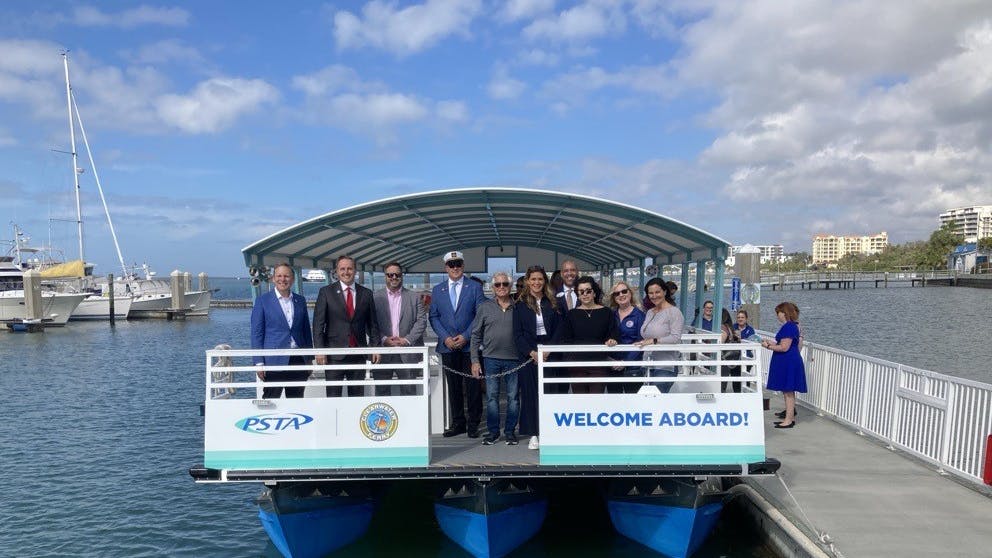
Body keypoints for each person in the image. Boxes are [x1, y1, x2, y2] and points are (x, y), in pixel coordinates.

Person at [429, 250, 486, 438]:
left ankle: (473, 423)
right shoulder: (438, 290)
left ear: (463, 266)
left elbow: (480, 315)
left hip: (469, 346)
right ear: (446, 267)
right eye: (451, 265)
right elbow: (434, 317)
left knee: (473, 387)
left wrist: (466, 336)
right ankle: (458, 422)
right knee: (453, 387)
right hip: (447, 346)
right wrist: (445, 337)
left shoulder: (474, 287)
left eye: (458, 264)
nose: (455, 268)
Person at [313, 255, 380, 397]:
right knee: (333, 396)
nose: (346, 272)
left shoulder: (366, 294)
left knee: (356, 397)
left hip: (358, 354)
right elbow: (318, 324)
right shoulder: (326, 292)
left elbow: (372, 324)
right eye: (342, 269)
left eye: (349, 268)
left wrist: (375, 347)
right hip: (334, 356)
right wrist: (319, 350)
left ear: (355, 271)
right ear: (337, 271)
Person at [513, 265, 562, 450]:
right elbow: (517, 334)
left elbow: (560, 329)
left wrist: (548, 349)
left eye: (540, 279)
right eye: (533, 279)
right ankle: (534, 433)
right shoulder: (519, 304)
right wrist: (531, 353)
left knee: (550, 392)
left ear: (545, 281)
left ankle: (550, 431)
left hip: (550, 351)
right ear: (527, 281)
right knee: (531, 394)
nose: (536, 282)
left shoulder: (553, 302)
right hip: (529, 354)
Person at [470, 272, 520, 445]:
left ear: (510, 286)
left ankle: (510, 432)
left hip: (514, 359)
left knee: (513, 398)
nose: (501, 287)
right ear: (492, 288)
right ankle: (493, 432)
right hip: (490, 358)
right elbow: (475, 335)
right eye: (497, 285)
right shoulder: (484, 307)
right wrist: (475, 361)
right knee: (492, 397)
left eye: (504, 284)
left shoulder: (518, 306)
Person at [250, 263, 313, 398]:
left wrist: (309, 358)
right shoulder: (262, 301)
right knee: (271, 400)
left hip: (297, 359)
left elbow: (306, 331)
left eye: (286, 276)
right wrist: (259, 362)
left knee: (296, 400)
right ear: (273, 278)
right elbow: (256, 334)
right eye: (279, 276)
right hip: (273, 359)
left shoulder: (300, 300)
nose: (282, 279)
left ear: (293, 279)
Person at [555, 276, 619, 394]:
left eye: (588, 291)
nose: (585, 294)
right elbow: (567, 338)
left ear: (594, 293)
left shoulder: (606, 312)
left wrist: (612, 340)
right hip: (577, 364)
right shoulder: (572, 314)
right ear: (578, 295)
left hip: (599, 363)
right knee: (580, 401)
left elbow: (613, 332)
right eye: (581, 292)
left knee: (596, 400)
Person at [372, 262, 427, 396]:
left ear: (402, 276)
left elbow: (421, 321)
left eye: (397, 274)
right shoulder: (374, 297)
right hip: (382, 352)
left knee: (409, 392)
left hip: (407, 352)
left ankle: (409, 418)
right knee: (382, 393)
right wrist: (384, 339)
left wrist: (407, 340)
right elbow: (370, 324)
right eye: (390, 274)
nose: (394, 277)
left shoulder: (414, 297)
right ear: (385, 276)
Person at [636, 278, 685, 392]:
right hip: (647, 364)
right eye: (650, 293)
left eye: (657, 292)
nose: (654, 296)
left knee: (658, 402)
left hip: (665, 366)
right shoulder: (649, 312)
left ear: (665, 292)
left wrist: (654, 341)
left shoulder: (674, 312)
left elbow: (675, 337)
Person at [763, 302, 806, 428]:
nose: (777, 315)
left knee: (788, 391)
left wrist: (768, 346)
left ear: (785, 313)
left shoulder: (789, 327)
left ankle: (788, 420)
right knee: (787, 390)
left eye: (778, 313)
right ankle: (790, 417)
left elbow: (784, 347)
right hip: (789, 360)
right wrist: (770, 342)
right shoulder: (791, 326)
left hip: (788, 361)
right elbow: (785, 343)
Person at [609, 281, 645, 393]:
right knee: (614, 401)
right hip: (612, 365)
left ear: (630, 293)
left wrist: (625, 362)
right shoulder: (610, 315)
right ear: (614, 298)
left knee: (632, 403)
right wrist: (609, 359)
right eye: (617, 293)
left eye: (624, 291)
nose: (621, 295)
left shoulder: (640, 316)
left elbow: (641, 341)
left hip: (632, 367)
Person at [719, 308, 743, 393]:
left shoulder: (723, 328)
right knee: (723, 384)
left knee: (720, 385)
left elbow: (720, 343)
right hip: (729, 358)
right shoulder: (729, 327)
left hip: (723, 359)